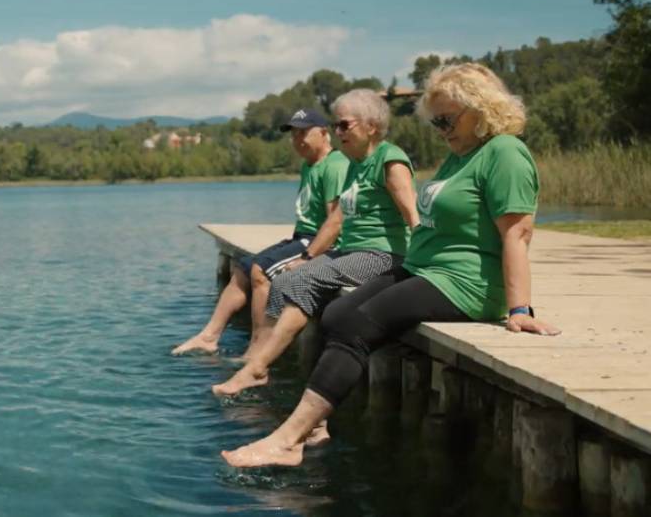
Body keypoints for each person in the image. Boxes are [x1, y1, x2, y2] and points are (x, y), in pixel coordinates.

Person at [221, 63, 560, 468]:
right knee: (337, 314)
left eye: (448, 119)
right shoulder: (460, 156)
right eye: (435, 122)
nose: (441, 129)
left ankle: (287, 440)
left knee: (358, 326)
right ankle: (314, 424)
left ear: (482, 108)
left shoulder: (504, 152)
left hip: (463, 281)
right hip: (425, 269)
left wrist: (519, 309)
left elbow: (517, 233)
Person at [212, 89, 418, 405]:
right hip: (351, 251)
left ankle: (258, 367)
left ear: (372, 126)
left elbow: (414, 218)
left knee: (304, 279)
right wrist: (309, 256)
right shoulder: (354, 165)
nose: (337, 132)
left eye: (344, 125)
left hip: (383, 254)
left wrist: (422, 268)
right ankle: (267, 363)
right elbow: (337, 217)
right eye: (335, 125)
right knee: (283, 280)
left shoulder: (390, 160)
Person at [172, 109, 349, 357]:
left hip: (320, 244)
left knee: (260, 272)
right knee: (243, 269)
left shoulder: (335, 165)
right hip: (302, 236)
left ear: (323, 133)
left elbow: (335, 223)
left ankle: (257, 349)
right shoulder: (310, 166)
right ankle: (208, 336)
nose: (298, 139)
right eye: (294, 134)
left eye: (304, 133)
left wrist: (308, 257)